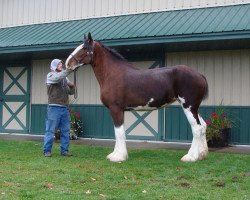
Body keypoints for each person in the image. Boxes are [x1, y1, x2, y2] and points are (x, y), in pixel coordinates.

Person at [43, 59, 76, 157]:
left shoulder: (65, 78)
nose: (61, 65)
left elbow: (70, 93)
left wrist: (72, 87)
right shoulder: (50, 75)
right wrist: (69, 70)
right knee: (50, 130)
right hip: (53, 108)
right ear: (54, 66)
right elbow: (58, 78)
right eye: (59, 64)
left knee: (65, 131)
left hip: (64, 108)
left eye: (61, 63)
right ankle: (47, 151)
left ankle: (64, 151)